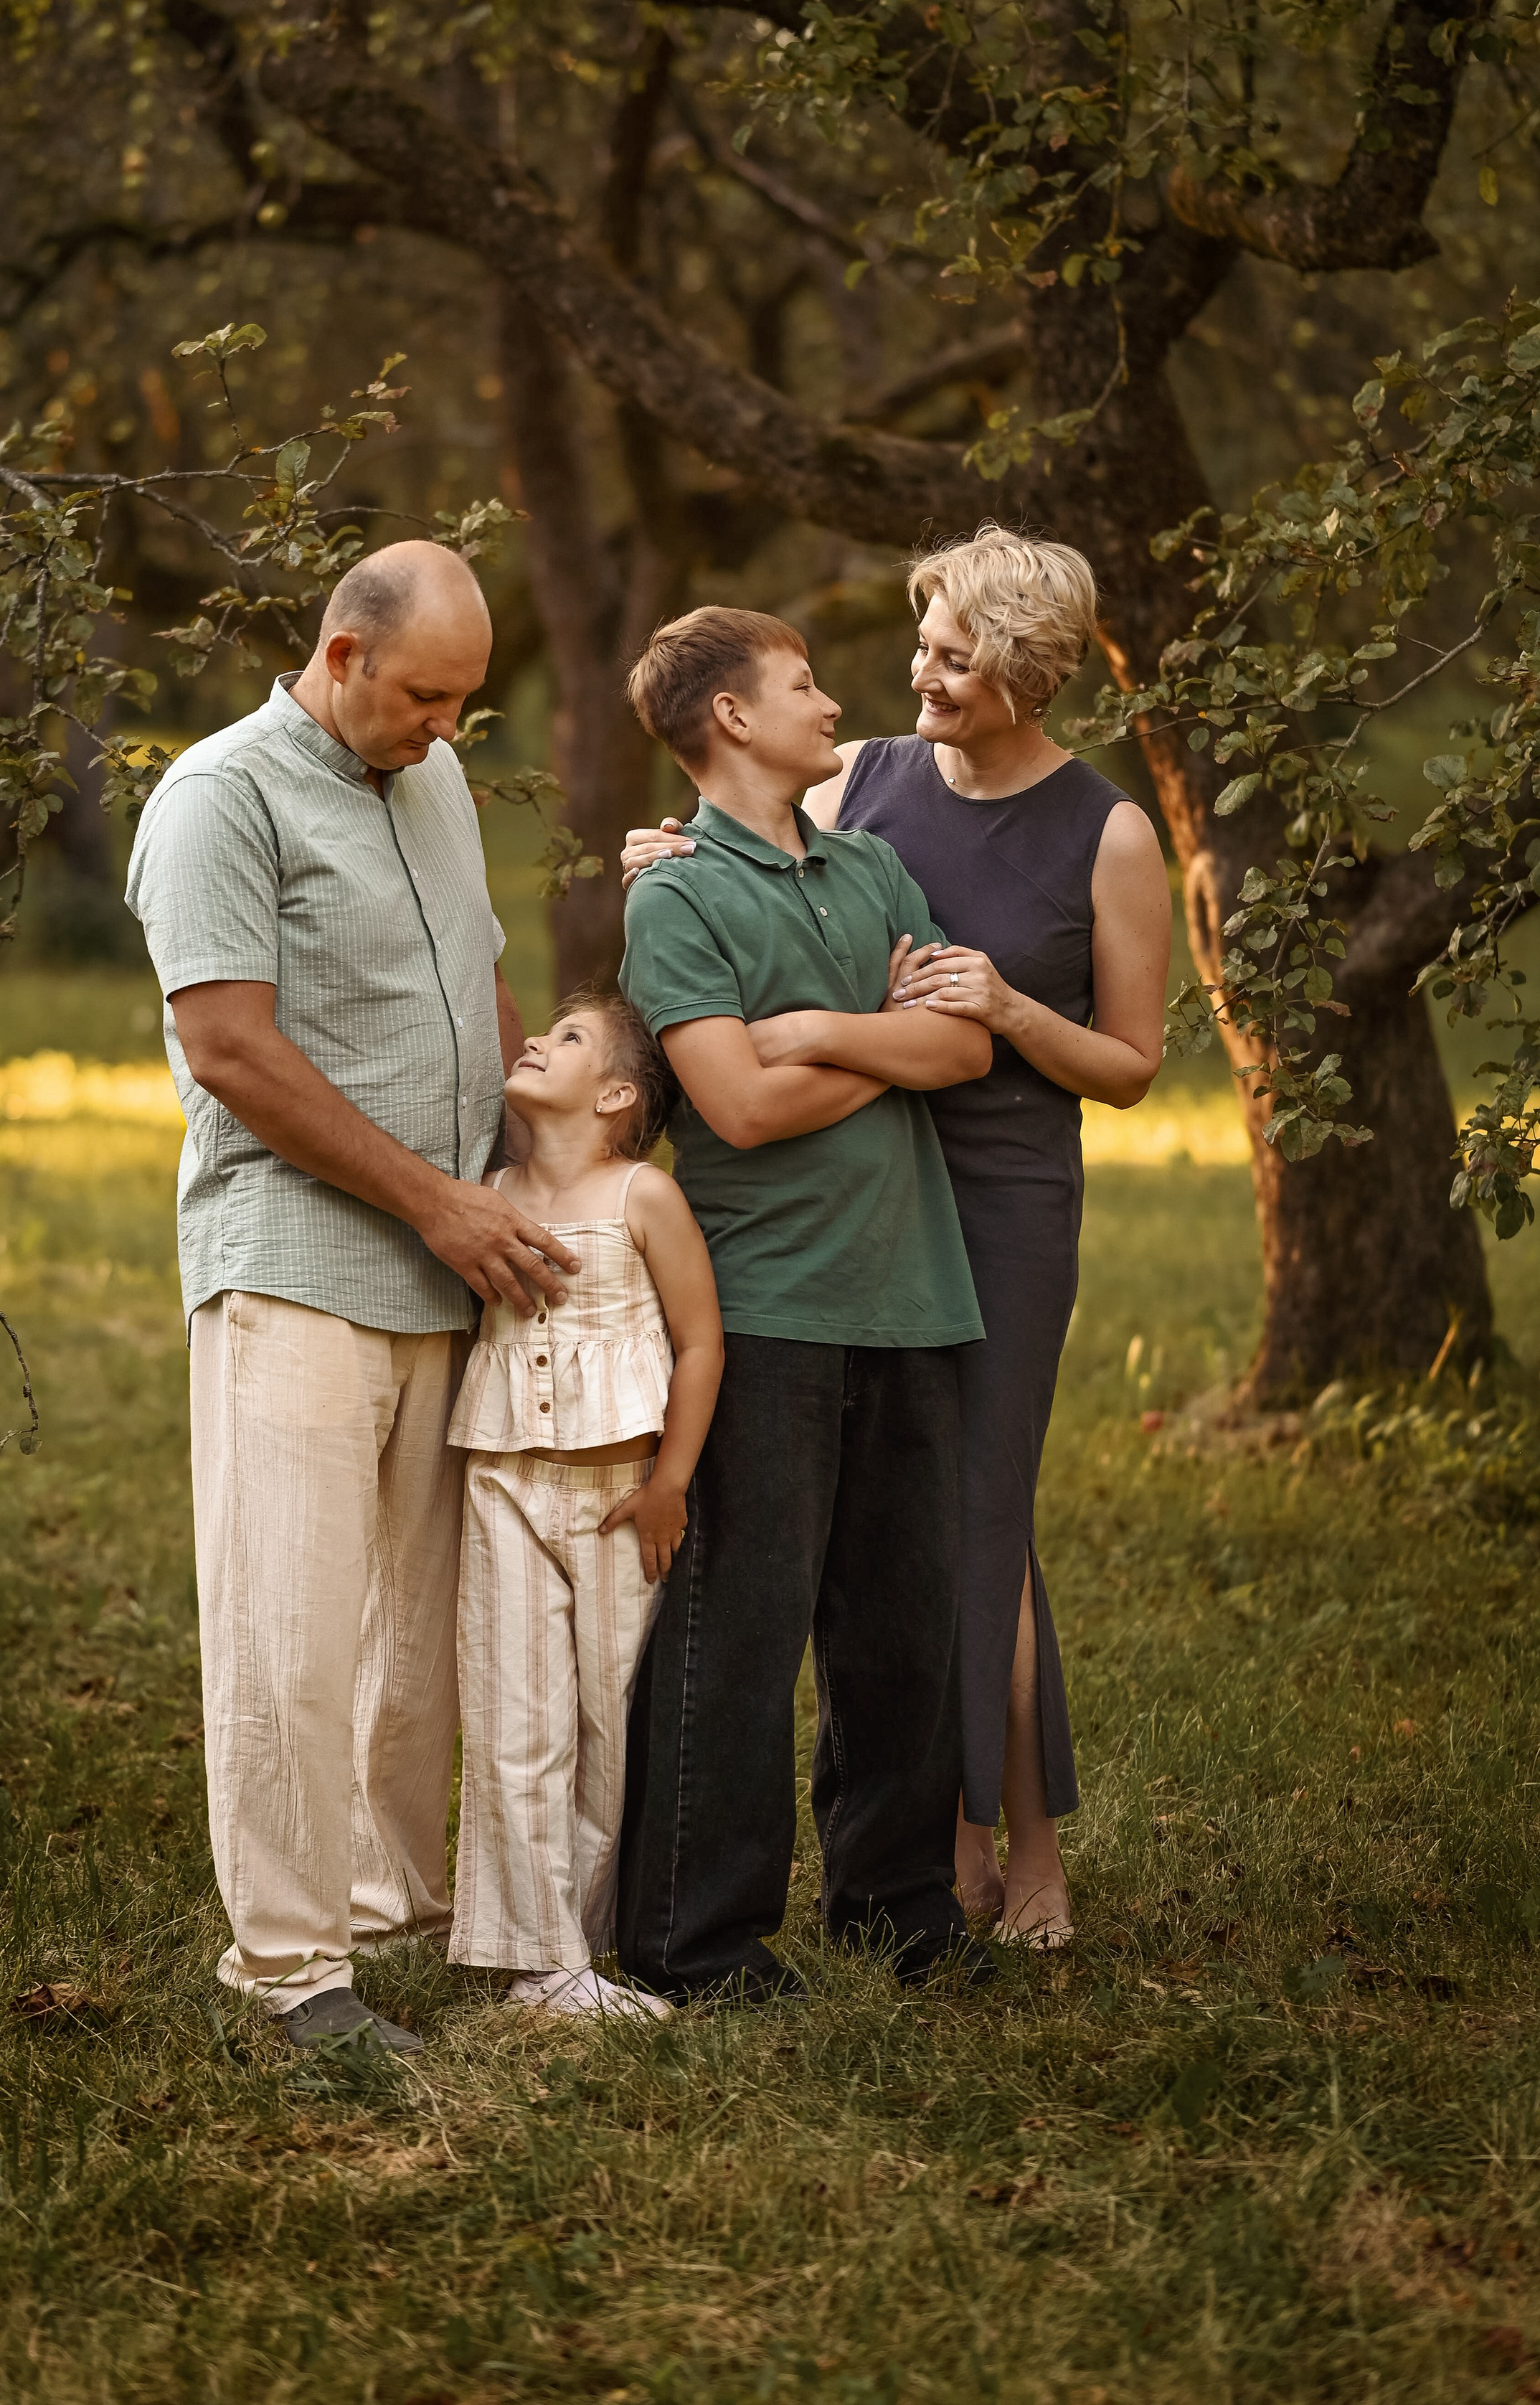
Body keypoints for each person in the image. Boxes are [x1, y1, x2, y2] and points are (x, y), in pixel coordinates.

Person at [623, 529, 1169, 1947]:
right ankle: (838, 1880)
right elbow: (740, 879)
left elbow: (1092, 1061)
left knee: (960, 1538)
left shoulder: (1086, 835)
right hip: (821, 1213)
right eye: (919, 648)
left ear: (1025, 673)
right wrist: (667, 861)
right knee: (837, 1569)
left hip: (988, 1201)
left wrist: (945, 1016)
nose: (910, 676)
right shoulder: (854, 782)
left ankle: (988, 1862)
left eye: (951, 657)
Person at [126, 542, 579, 2062]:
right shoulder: (219, 797)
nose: (446, 728)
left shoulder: (434, 779)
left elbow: (481, 984)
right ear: (340, 656)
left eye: (465, 702)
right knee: (292, 1627)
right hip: (295, 1262)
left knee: (414, 1635)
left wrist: (525, 1168)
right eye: (426, 697)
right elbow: (230, 1049)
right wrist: (436, 1198)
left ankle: (386, 1911)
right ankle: (286, 1969)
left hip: (444, 1269)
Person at [615, 606, 995, 2005]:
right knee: (739, 1630)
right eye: (801, 684)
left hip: (913, 1290)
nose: (832, 704)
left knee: (903, 1631)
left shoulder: (872, 863)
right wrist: (895, 1046)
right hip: (763, 1307)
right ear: (730, 715)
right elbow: (736, 1105)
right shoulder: (674, 895)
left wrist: (832, 1037)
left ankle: (894, 1910)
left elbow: (966, 1047)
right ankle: (693, 1939)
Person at [447, 990, 724, 2022]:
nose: (536, 1039)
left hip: (619, 1502)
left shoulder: (644, 1197)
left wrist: (670, 1483)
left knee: (610, 1729)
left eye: (570, 1038)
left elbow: (701, 1342)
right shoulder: (489, 1195)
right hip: (504, 1487)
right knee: (515, 1722)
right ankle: (538, 1961)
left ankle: (583, 1943)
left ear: (615, 1096)